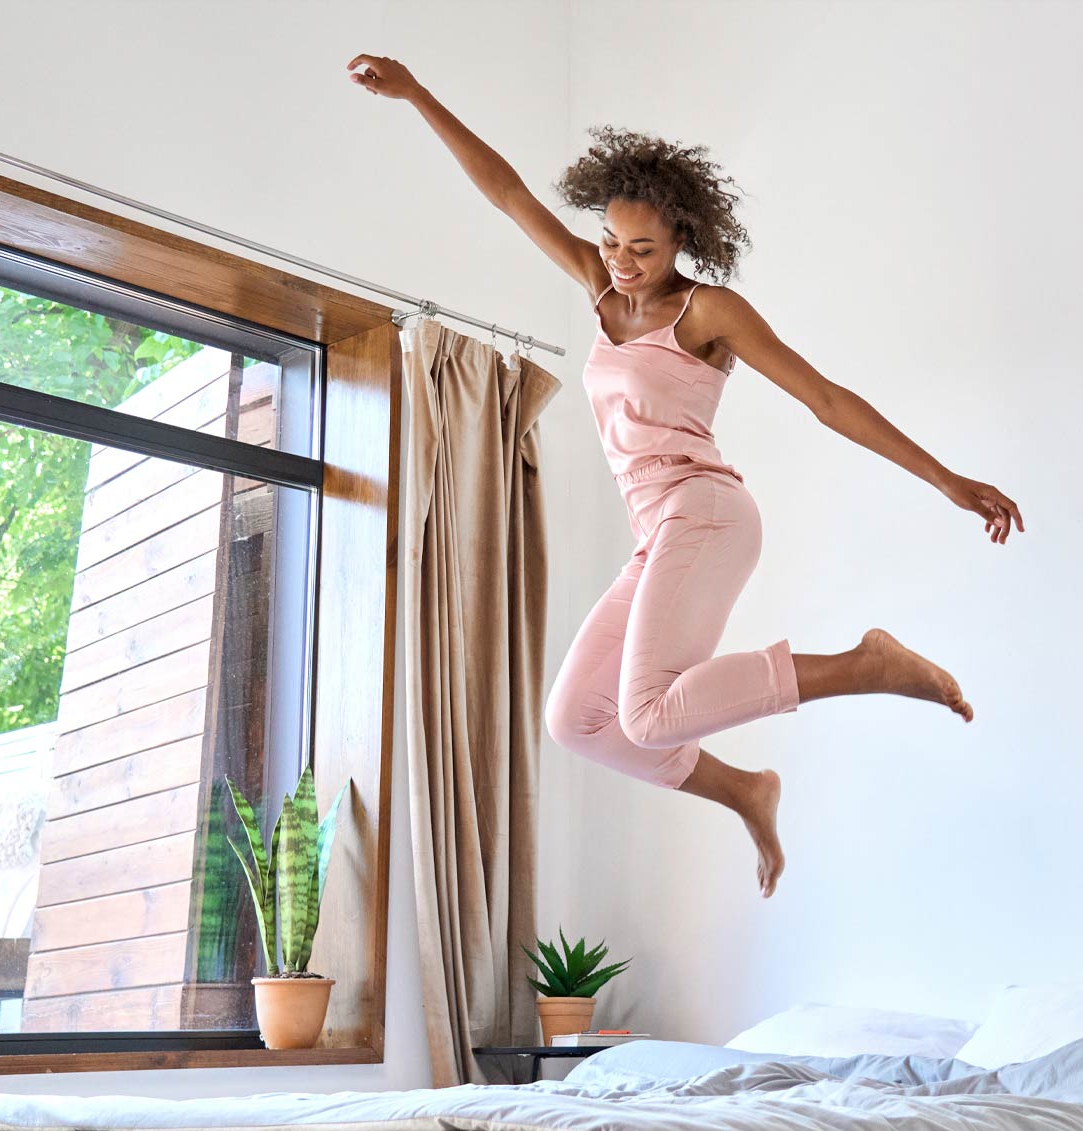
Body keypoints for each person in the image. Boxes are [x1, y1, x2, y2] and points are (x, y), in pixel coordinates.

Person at [350, 55, 1022, 897]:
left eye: (643, 248)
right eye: (610, 241)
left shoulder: (709, 314)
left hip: (705, 514)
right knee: (577, 720)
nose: (622, 262)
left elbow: (826, 399)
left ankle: (866, 664)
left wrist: (947, 480)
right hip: (655, 531)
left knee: (647, 711)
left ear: (682, 244)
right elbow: (509, 192)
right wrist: (416, 95)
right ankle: (744, 790)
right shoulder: (600, 290)